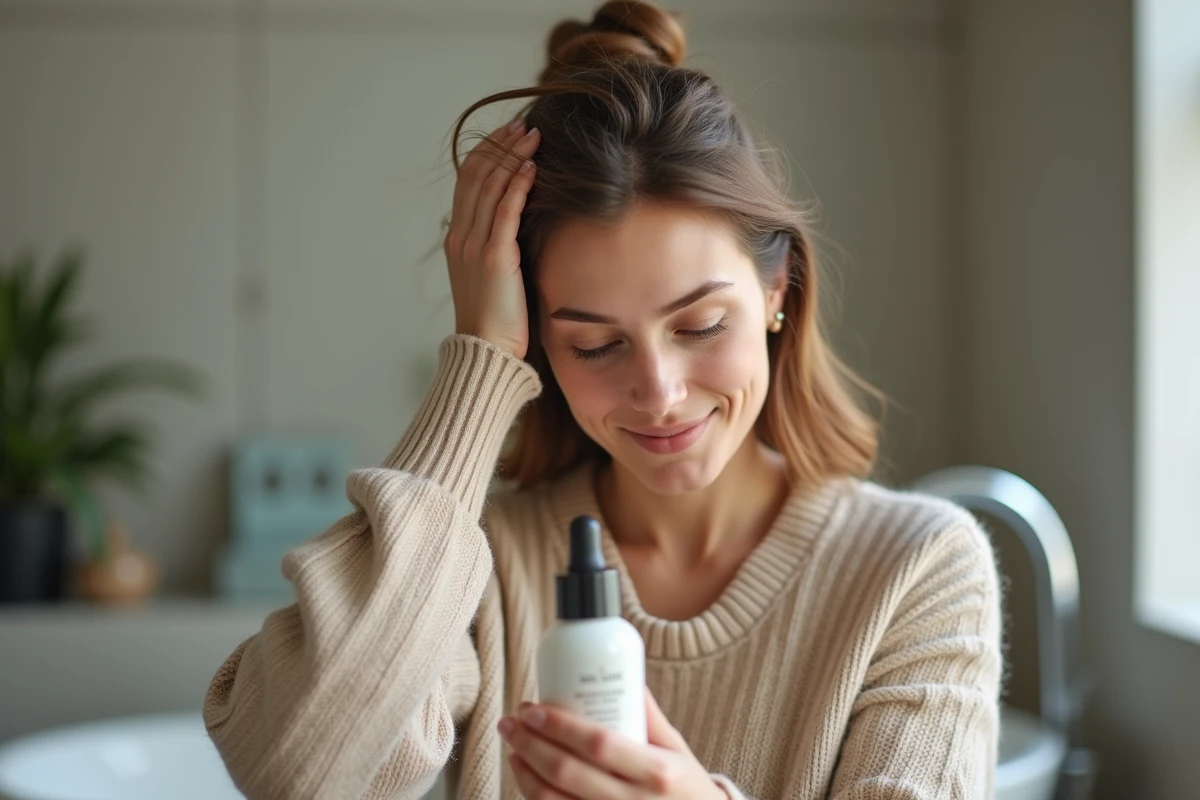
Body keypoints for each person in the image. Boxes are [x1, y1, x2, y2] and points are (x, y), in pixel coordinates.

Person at [203, 2, 1003, 798]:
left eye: (700, 325)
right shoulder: (476, 572)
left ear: (776, 291)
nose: (657, 392)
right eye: (594, 344)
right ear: (542, 343)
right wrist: (477, 362)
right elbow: (293, 772)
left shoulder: (918, 569)